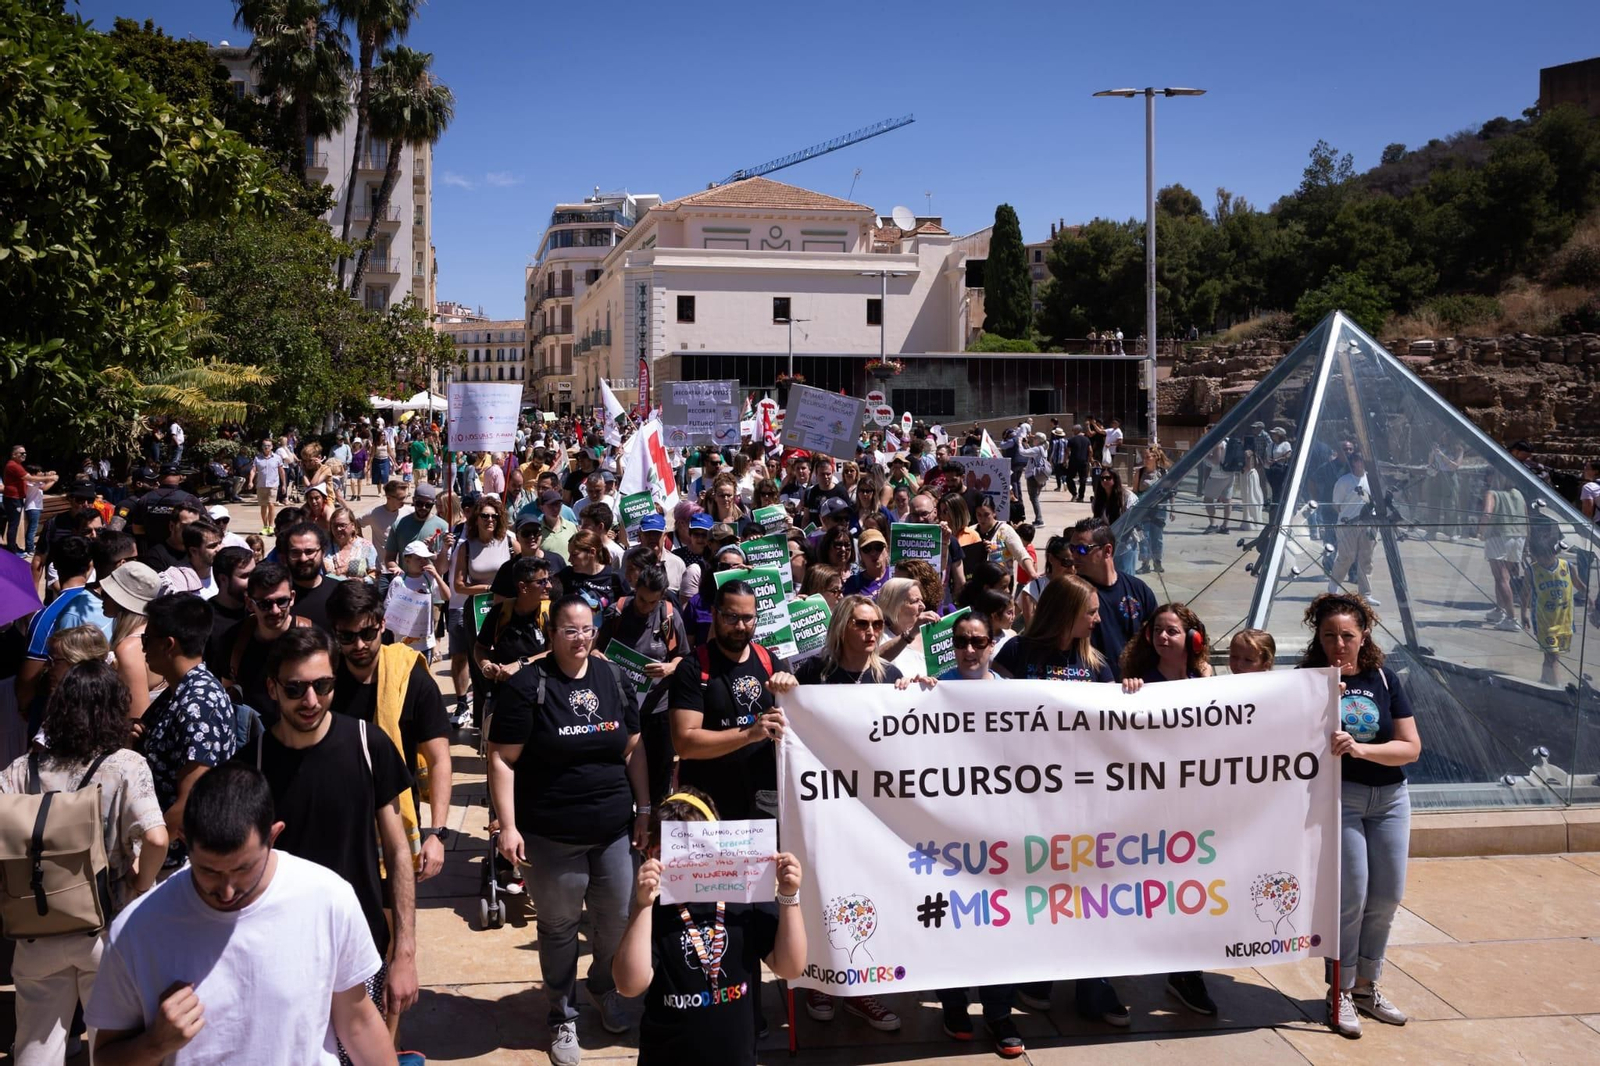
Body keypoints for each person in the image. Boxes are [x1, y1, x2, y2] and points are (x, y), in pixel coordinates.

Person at [86, 764, 398, 1065]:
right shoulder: (136, 930)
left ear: (273, 836)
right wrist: (155, 1044)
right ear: (183, 839)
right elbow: (105, 1057)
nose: (227, 891)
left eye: (243, 868)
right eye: (208, 871)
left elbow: (357, 1022)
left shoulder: (328, 899)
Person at [236, 626, 419, 1041]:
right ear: (272, 687)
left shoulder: (369, 745)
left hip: (362, 950)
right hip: (280, 959)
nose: (311, 700)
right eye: (296, 688)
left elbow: (398, 852)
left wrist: (404, 952)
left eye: (323, 685)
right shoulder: (252, 767)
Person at [487, 595, 648, 1064]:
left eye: (587, 629)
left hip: (615, 828)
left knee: (618, 916)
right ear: (551, 634)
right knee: (558, 927)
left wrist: (644, 809)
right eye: (570, 630)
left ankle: (601, 985)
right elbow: (502, 757)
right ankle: (562, 1014)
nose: (581, 638)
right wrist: (509, 827)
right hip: (551, 834)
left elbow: (633, 747)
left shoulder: (613, 677)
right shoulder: (528, 685)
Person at [1, 662, 168, 1066]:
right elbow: (157, 837)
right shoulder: (125, 765)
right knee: (110, 1048)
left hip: (37, 925)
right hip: (105, 929)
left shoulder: (25, 768)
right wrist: (141, 885)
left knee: (36, 1044)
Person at [1298, 593, 1421, 1038]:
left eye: (1347, 636)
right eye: (1329, 635)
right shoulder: (1309, 680)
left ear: (1363, 635)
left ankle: (1368, 985)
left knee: (1387, 896)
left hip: (1390, 799)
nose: (1338, 644)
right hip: (1342, 799)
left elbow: (1410, 746)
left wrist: (1362, 748)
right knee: (1351, 896)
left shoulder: (1384, 678)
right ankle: (1341, 990)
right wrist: (1321, 702)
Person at [613, 787, 806, 1066]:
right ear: (652, 855)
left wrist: (789, 897)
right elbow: (629, 985)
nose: (690, 861)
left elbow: (790, 966)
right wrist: (642, 906)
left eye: (699, 848)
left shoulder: (745, 898)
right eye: (675, 851)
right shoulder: (652, 912)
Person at [328, 581, 454, 882]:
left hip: (395, 816)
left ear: (382, 625)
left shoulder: (412, 680)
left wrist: (436, 833)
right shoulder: (322, 682)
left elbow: (439, 760)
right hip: (336, 818)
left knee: (393, 921)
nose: (359, 645)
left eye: (368, 634)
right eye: (347, 636)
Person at [668, 580, 797, 821]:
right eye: (731, 617)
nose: (740, 626)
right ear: (714, 614)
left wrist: (792, 689)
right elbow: (685, 743)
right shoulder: (693, 668)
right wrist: (749, 734)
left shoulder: (769, 661)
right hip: (708, 807)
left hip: (763, 805)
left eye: (748, 618)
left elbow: (798, 724)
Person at [15, 535, 111, 706]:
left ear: (55, 566)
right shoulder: (109, 606)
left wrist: (24, 708)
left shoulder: (46, 617)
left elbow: (26, 686)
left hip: (66, 710)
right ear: (91, 565)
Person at [1068, 517, 1158, 677]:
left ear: (1107, 551)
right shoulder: (1071, 593)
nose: (1074, 555)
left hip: (1136, 686)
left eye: (1082, 549)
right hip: (1094, 686)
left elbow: (1157, 637)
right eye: (1071, 548)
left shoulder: (1138, 589)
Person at [98, 561, 162, 720]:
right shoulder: (151, 633)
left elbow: (136, 718)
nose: (101, 596)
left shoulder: (129, 649)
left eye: (107, 593)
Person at [1329, 453, 1380, 606]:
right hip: (1347, 525)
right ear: (1355, 462)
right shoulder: (1344, 481)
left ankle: (1365, 594)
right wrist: (1348, 517)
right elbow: (1336, 504)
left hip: (1369, 524)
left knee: (1366, 559)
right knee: (1346, 557)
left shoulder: (1372, 479)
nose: (1363, 463)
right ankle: (1333, 588)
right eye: (1360, 460)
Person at [1480, 470, 1527, 631]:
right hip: (1519, 535)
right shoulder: (1518, 494)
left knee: (1501, 578)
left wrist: (1481, 531)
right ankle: (1499, 610)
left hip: (1499, 535)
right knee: (1504, 576)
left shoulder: (1492, 493)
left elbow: (1487, 513)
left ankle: (1511, 618)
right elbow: (1526, 517)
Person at [385, 542, 449, 659]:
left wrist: (437, 575)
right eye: (418, 559)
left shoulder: (428, 579)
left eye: (425, 559)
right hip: (403, 643)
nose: (423, 562)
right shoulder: (399, 581)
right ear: (407, 560)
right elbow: (388, 610)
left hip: (426, 643)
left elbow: (447, 596)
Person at [875, 577, 940, 676]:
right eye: (915, 601)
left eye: (921, 600)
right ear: (894, 606)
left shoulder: (931, 633)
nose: (923, 606)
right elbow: (872, 661)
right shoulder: (878, 638)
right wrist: (911, 633)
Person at [282, 521, 336, 631]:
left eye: (309, 551)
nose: (303, 558)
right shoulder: (277, 600)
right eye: (295, 552)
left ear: (323, 552)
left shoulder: (339, 592)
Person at [382, 483, 449, 570]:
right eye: (419, 503)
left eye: (428, 505)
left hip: (431, 582)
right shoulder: (399, 525)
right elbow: (389, 558)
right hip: (405, 581)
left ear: (434, 504)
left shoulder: (443, 527)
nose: (424, 508)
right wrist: (398, 572)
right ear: (413, 500)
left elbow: (443, 569)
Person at [560, 529, 626, 611]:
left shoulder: (616, 579)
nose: (570, 560)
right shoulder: (566, 575)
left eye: (574, 555)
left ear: (592, 552)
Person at [1018, 535, 1073, 630]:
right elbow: (1031, 630)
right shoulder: (1033, 590)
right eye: (1067, 563)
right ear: (1051, 558)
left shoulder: (1081, 586)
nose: (1072, 569)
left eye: (1076, 563)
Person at [1091, 468, 1140, 576]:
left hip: (1126, 543)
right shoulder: (1098, 499)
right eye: (1102, 478)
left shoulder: (1127, 497)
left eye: (1108, 478)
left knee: (1126, 576)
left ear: (1115, 479)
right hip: (1107, 544)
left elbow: (1133, 520)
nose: (1104, 481)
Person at [1133, 446, 1171, 575]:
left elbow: (1170, 492)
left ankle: (1157, 561)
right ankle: (1145, 563)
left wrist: (1173, 509)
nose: (1145, 459)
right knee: (1144, 537)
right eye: (1144, 457)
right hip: (1143, 510)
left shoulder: (1163, 473)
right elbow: (1135, 492)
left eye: (1148, 457)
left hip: (1159, 509)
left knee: (1157, 536)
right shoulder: (1139, 472)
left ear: (1156, 458)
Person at [366, 480, 413, 568]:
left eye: (405, 497)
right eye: (400, 498)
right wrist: (364, 544)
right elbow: (355, 523)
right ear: (388, 497)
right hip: (383, 569)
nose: (404, 501)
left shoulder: (410, 512)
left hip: (405, 568)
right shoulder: (375, 514)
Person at [327, 504, 378, 581]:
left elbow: (375, 574)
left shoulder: (366, 547)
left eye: (342, 525)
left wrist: (363, 581)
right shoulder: (324, 547)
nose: (338, 529)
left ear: (353, 526)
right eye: (335, 525)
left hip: (358, 590)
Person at [842, 528, 892, 598]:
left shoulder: (897, 575)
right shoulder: (852, 583)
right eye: (867, 549)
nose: (873, 553)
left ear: (886, 550)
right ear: (860, 555)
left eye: (878, 547)